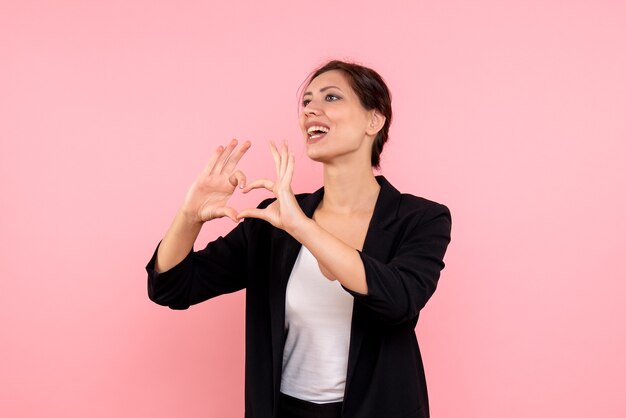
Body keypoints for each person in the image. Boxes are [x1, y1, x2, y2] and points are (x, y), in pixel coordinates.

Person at [146, 60, 452, 418]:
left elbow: (400, 301)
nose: (310, 110)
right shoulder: (272, 221)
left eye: (331, 97)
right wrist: (189, 216)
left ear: (375, 119)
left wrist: (303, 226)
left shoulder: (421, 218)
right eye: (306, 102)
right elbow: (171, 287)